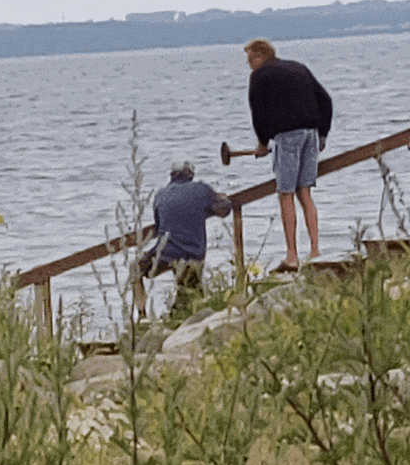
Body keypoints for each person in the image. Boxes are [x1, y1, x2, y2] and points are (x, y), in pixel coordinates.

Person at [244, 38, 333, 272]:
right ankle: (315, 251)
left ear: (259, 56)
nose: (249, 64)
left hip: (287, 137)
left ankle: (292, 256)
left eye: (250, 59)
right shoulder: (298, 68)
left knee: (285, 194)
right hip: (311, 133)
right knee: (305, 192)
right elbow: (326, 100)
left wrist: (262, 144)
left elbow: (258, 114)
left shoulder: (259, 76)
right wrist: (322, 134)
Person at [134, 160, 232, 317]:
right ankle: (188, 314)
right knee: (193, 297)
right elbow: (224, 210)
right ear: (191, 175)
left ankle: (142, 315)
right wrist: (221, 199)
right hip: (192, 254)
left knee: (136, 269)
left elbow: (159, 228)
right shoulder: (201, 189)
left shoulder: (160, 195)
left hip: (165, 253)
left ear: (171, 176)